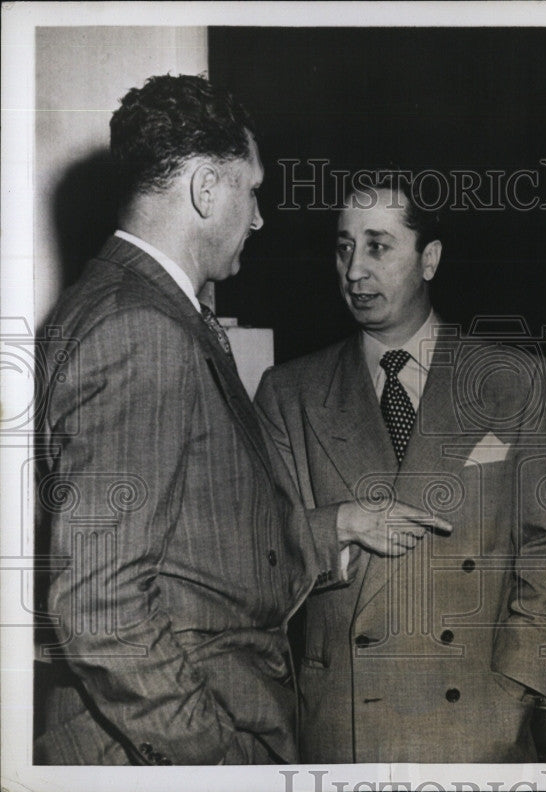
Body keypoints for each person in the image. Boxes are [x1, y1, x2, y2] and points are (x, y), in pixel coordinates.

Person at [34, 74, 336, 765]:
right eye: (251, 190)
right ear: (206, 189)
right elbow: (101, 606)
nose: (258, 218)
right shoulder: (142, 329)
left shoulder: (117, 303)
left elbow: (196, 547)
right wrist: (215, 757)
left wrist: (326, 530)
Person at [254, 173, 546, 762]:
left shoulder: (516, 382)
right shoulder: (288, 393)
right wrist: (340, 524)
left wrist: (511, 697)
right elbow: (257, 557)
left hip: (480, 726)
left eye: (378, 246)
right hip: (345, 729)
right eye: (344, 247)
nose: (354, 270)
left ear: (428, 259)